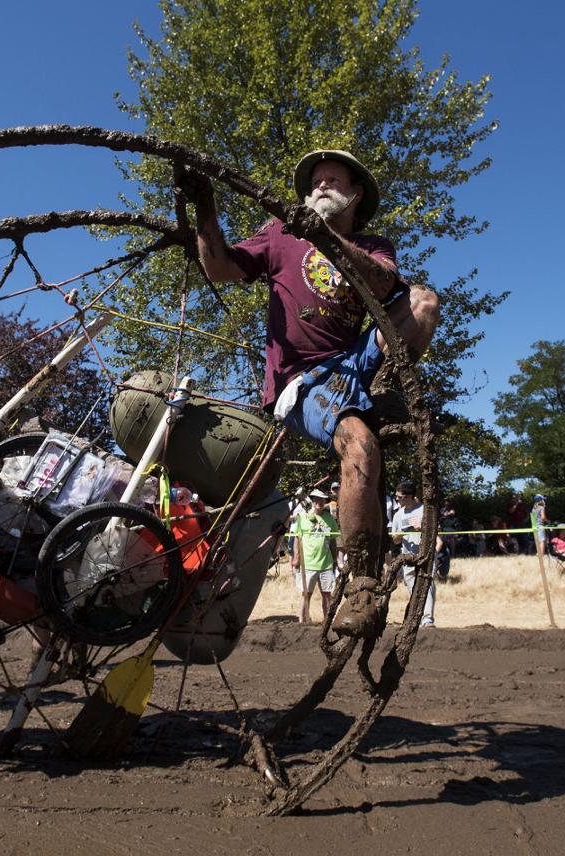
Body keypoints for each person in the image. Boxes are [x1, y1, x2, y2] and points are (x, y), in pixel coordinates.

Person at [179, 148, 439, 637]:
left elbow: (384, 283)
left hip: (355, 362)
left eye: (333, 180)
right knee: (360, 446)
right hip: (304, 379)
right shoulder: (281, 234)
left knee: (423, 301)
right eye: (316, 181)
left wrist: (327, 239)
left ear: (355, 195)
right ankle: (361, 584)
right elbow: (218, 267)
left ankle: (383, 388)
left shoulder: (373, 245)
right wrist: (205, 208)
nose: (320, 186)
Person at [389, 480, 439, 626]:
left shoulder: (425, 511)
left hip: (426, 555)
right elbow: (395, 540)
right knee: (414, 589)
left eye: (399, 497)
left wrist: (422, 528)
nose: (397, 499)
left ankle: (428, 619)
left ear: (409, 496)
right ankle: (419, 617)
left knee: (427, 585)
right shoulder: (398, 515)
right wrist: (404, 532)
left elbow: (436, 531)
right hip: (408, 557)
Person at [290, 488, 340, 624]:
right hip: (308, 563)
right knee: (306, 594)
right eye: (317, 499)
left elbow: (333, 541)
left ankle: (328, 622)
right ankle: (302, 621)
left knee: (327, 595)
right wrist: (296, 557)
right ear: (312, 500)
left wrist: (335, 560)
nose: (319, 502)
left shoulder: (329, 519)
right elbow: (297, 539)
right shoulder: (302, 517)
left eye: (322, 499)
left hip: (326, 564)